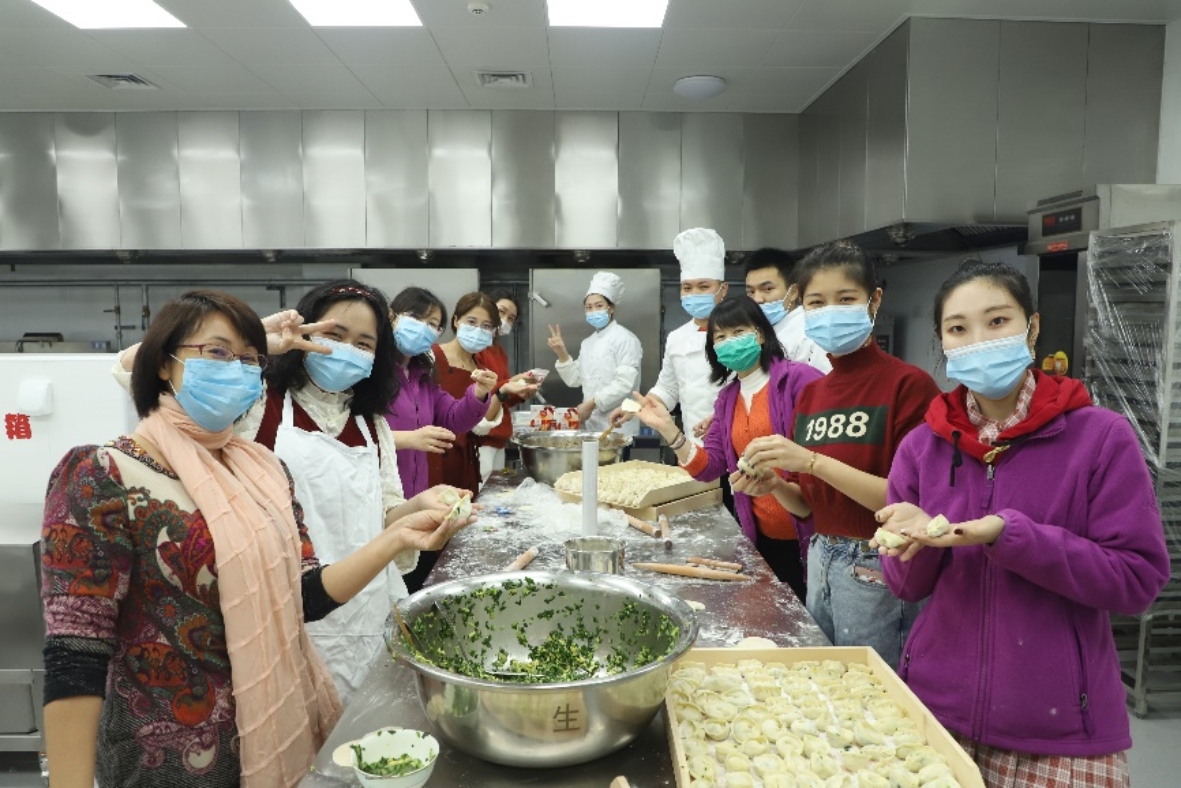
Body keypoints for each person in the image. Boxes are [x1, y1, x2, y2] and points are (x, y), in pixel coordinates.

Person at [42, 291, 469, 788]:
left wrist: (398, 535)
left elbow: (302, 595)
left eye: (249, 361)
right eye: (217, 353)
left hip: (269, 726)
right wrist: (258, 337)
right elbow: (75, 654)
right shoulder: (104, 473)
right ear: (164, 360)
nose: (236, 370)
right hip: (161, 760)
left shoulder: (265, 471)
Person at [873, 261, 1169, 788]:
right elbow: (907, 587)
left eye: (997, 321)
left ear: (1032, 328)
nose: (979, 340)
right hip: (936, 715)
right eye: (958, 328)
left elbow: (1135, 581)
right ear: (942, 342)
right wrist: (916, 538)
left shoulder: (1100, 438)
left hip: (1060, 731)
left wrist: (1011, 536)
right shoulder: (922, 447)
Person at [112, 281, 472, 704]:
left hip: (365, 614)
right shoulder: (256, 402)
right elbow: (136, 368)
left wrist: (418, 508)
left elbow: (384, 513)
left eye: (363, 344)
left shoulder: (373, 426)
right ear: (306, 332)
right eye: (334, 335)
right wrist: (257, 341)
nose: (347, 350)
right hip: (283, 610)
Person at [734, 240, 941, 670]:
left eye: (845, 299)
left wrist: (811, 462)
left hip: (877, 562)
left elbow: (911, 504)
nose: (830, 312)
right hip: (820, 556)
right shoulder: (814, 394)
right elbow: (809, 506)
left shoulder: (908, 386)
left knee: (872, 691)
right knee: (829, 685)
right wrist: (775, 485)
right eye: (817, 302)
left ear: (874, 300)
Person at [631, 298, 822, 601]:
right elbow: (710, 466)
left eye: (738, 332)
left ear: (760, 334)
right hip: (761, 535)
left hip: (810, 535)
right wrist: (669, 429)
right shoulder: (727, 399)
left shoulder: (799, 380)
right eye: (720, 337)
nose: (729, 342)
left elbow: (823, 457)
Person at [609, 228, 729, 446]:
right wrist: (634, 408)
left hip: (737, 443)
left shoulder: (741, 334)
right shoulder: (677, 337)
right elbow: (667, 389)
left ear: (723, 289)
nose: (694, 293)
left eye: (704, 286)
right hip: (693, 444)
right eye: (687, 287)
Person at [547, 272, 643, 437]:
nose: (593, 311)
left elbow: (624, 383)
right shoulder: (587, 343)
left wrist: (592, 403)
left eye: (599, 306)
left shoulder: (625, 339)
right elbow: (575, 379)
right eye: (588, 307)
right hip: (591, 426)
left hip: (619, 426)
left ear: (611, 308)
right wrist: (562, 353)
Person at [473, 290, 539, 483]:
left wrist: (520, 392)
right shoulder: (476, 349)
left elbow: (500, 398)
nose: (505, 320)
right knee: (480, 492)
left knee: (494, 491)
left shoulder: (499, 351)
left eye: (511, 318)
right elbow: (481, 394)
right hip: (481, 437)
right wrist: (509, 384)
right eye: (501, 312)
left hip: (499, 438)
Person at [743, 246, 830, 373]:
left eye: (767, 289)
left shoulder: (810, 333)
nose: (757, 299)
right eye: (751, 291)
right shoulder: (754, 330)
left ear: (793, 292)